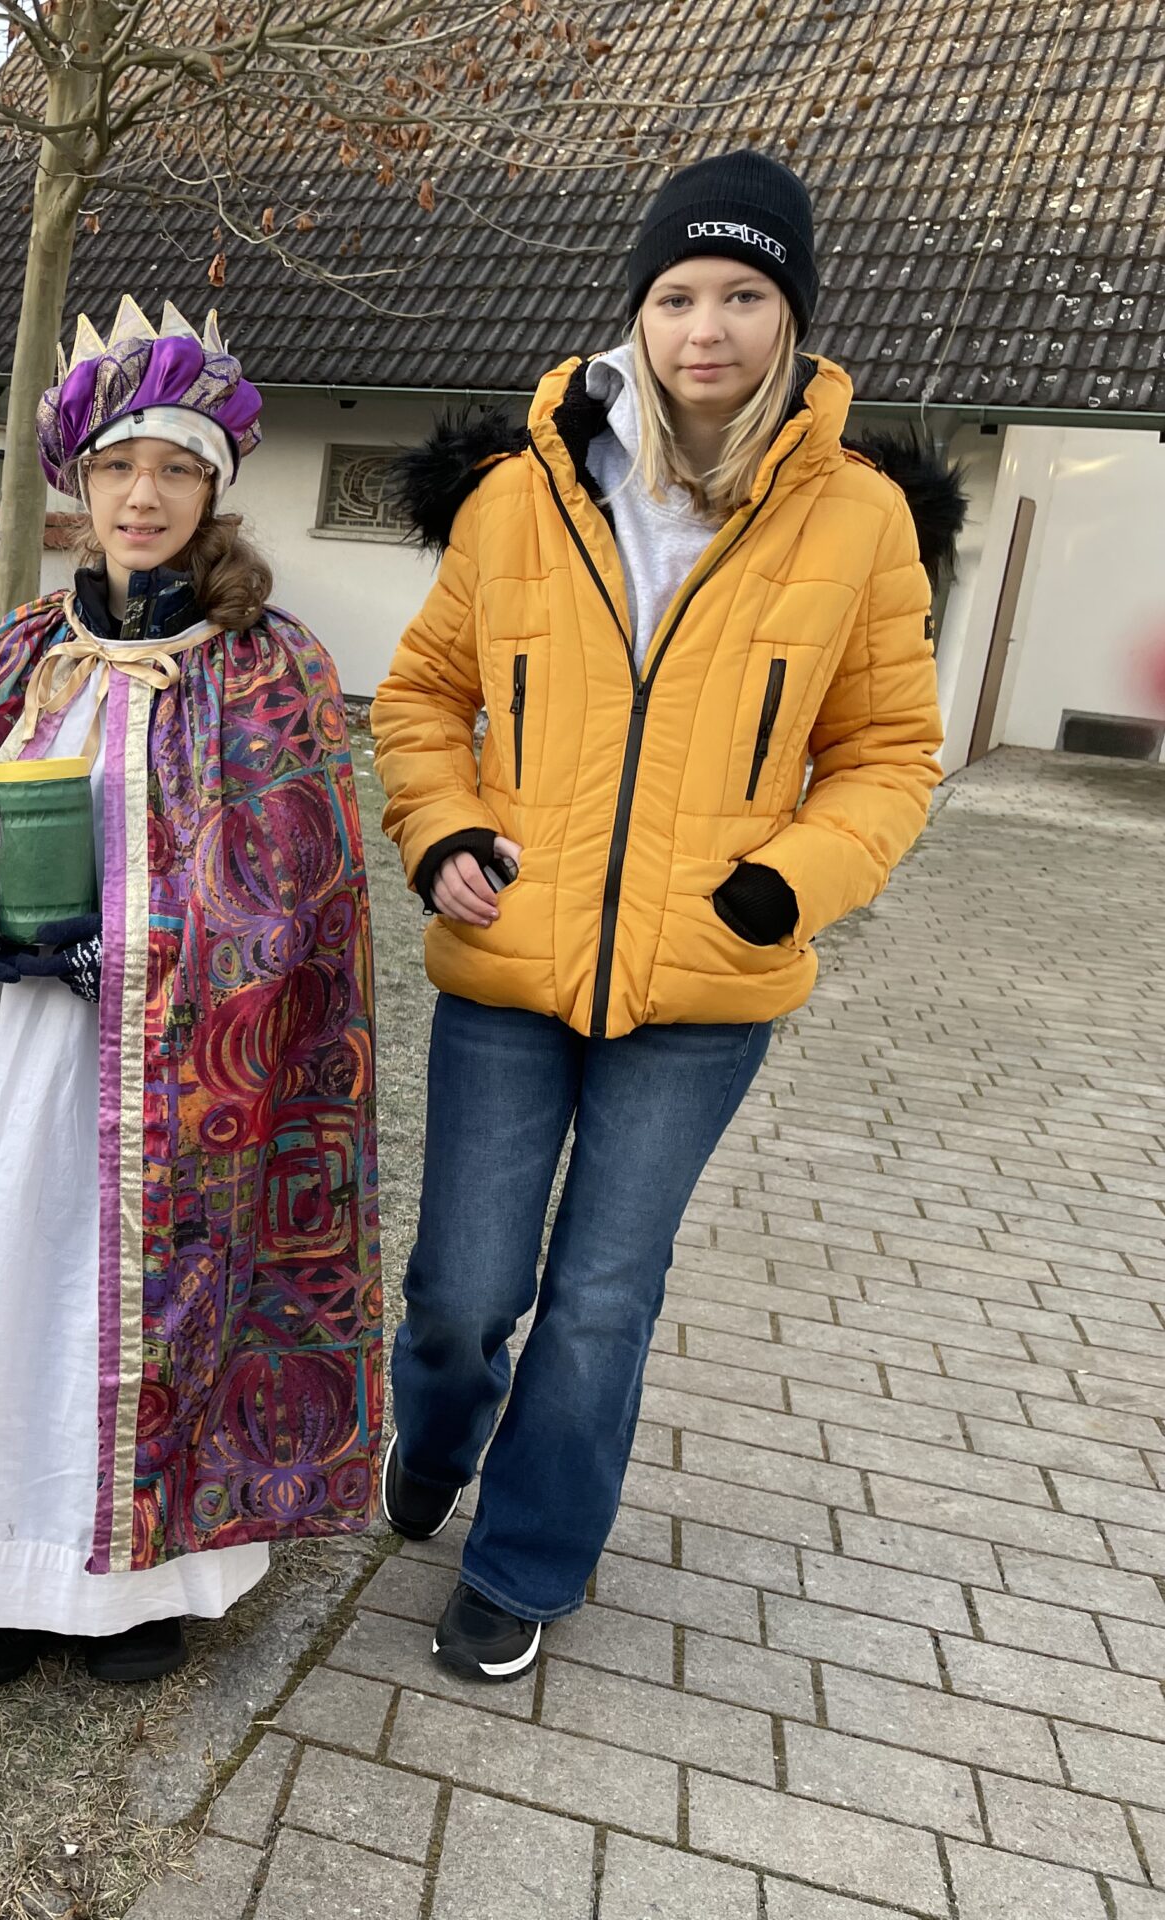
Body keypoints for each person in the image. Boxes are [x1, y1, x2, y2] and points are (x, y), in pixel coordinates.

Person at [372, 151, 965, 1682]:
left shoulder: (861, 520)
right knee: (461, 1295)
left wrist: (793, 881)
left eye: (744, 295)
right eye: (679, 295)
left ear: (793, 316)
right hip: (509, 957)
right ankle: (433, 1438)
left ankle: (525, 1562)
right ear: (638, 311)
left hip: (707, 978)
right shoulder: (522, 494)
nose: (707, 328)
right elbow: (424, 697)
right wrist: (441, 831)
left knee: (600, 1300)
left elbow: (892, 754)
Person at [0, 299, 382, 1688]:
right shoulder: (23, 654)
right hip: (30, 1055)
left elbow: (296, 886)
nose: (143, 495)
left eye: (175, 469)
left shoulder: (272, 663)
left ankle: (144, 1588)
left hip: (193, 1074)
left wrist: (139, 951)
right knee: (16, 1281)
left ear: (212, 490)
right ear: (80, 480)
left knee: (172, 1303)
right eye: (119, 466)